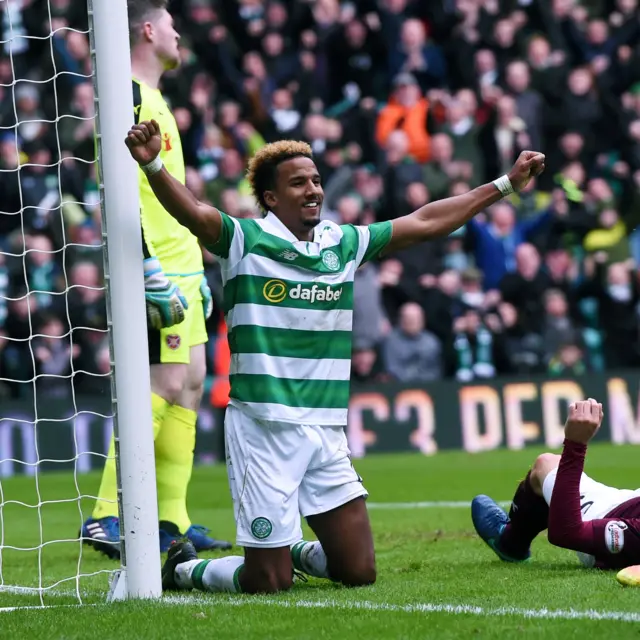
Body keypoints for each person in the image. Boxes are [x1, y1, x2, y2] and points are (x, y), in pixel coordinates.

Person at [124, 115, 544, 593]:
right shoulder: (244, 241)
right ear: (270, 198)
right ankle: (184, 569)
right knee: (268, 582)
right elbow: (195, 214)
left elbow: (425, 222)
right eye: (298, 182)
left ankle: (292, 549)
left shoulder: (341, 245)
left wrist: (506, 184)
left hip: (324, 429)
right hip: (264, 428)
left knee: (359, 571)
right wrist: (155, 163)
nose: (313, 190)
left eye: (317, 180)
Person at [81, 0, 230, 558]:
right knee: (162, 387)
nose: (178, 34)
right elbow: (118, 187)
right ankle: (105, 514)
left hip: (183, 266)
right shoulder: (129, 96)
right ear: (147, 29)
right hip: (157, 268)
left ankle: (172, 521)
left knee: (190, 383)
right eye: (171, 25)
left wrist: (196, 267)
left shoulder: (157, 97)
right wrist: (147, 265)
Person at [472, 398, 640, 581]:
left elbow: (567, 533)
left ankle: (511, 544)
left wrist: (575, 445)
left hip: (606, 518)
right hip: (630, 501)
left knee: (546, 464)